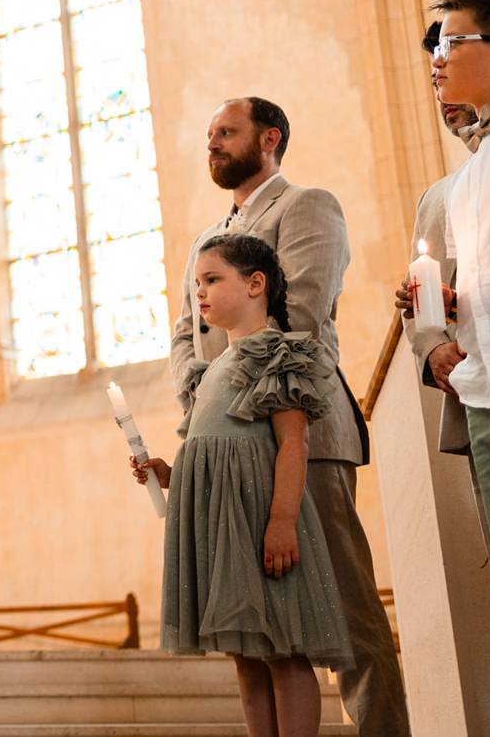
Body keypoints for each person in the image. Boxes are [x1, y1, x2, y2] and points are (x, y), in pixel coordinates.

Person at [169, 97, 406, 734]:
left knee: (347, 612)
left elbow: (298, 315)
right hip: (227, 451)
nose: (212, 143)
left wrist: (239, 395)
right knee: (256, 628)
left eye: (226, 131)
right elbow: (184, 336)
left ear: (269, 138)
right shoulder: (206, 241)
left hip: (302, 434)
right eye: (209, 133)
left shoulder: (307, 206)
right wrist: (205, 409)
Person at [136, 234, 352, 737]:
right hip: (221, 529)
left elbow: (293, 444)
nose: (200, 293)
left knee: (284, 650)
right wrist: (169, 473)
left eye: (212, 280)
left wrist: (281, 520)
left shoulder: (275, 355)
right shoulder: (208, 373)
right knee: (246, 656)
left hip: (259, 522)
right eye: (197, 284)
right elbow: (208, 452)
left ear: (256, 284)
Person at [392, 21, 490, 644]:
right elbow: (428, 303)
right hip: (477, 393)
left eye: (448, 61)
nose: (441, 90)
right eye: (433, 76)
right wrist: (432, 335)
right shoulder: (441, 196)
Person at [428, 0, 490, 604]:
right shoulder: (466, 180)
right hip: (485, 395)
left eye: (452, 42)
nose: (438, 57)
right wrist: (449, 308)